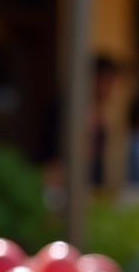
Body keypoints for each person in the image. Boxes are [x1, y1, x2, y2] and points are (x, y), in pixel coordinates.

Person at [38, 54, 122, 188]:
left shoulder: (99, 115)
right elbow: (53, 156)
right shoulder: (67, 109)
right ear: (92, 79)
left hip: (89, 187)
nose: (111, 88)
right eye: (107, 81)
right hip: (63, 184)